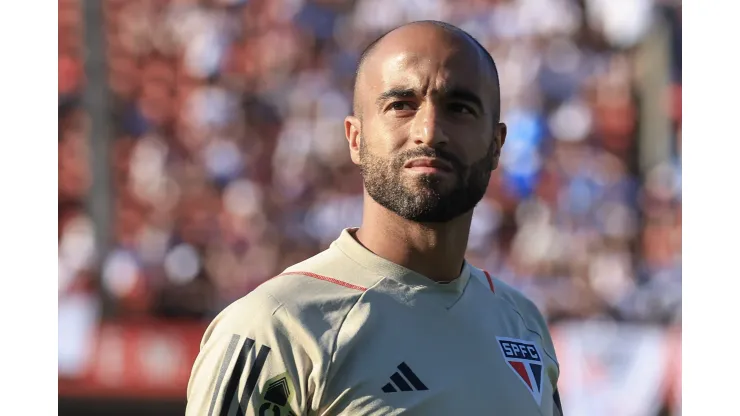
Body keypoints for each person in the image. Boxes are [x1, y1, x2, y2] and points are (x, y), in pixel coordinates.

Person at [186, 20, 564, 416]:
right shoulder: (277, 326)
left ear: (496, 145)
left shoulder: (523, 324)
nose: (429, 131)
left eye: (460, 108)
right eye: (401, 105)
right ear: (355, 138)